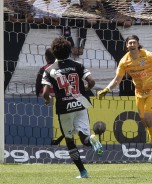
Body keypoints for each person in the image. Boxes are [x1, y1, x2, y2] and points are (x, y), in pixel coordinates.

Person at [97, 35, 152, 163]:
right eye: (130, 43)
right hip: (139, 93)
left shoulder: (148, 55)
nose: (132, 45)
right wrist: (107, 89)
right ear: (126, 46)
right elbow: (117, 80)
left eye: (134, 43)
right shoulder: (124, 62)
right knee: (145, 123)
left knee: (149, 119)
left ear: (138, 44)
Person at [42, 37, 102, 178]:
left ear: (54, 53)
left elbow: (45, 93)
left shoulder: (49, 70)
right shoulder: (78, 65)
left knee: (70, 140)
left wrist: (49, 99)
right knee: (85, 138)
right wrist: (85, 87)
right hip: (80, 103)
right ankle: (92, 138)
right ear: (69, 51)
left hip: (64, 108)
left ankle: (83, 172)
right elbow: (92, 81)